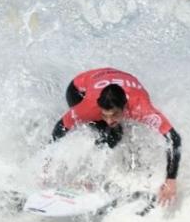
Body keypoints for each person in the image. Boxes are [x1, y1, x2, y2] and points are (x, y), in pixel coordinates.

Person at [51, 67, 181, 205]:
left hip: (121, 81)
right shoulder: (89, 107)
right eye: (105, 115)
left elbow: (174, 139)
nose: (109, 120)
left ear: (125, 108)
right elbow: (60, 129)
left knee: (116, 133)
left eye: (114, 115)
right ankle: (86, 177)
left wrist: (171, 180)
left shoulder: (141, 108)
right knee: (107, 133)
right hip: (79, 89)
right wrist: (49, 163)